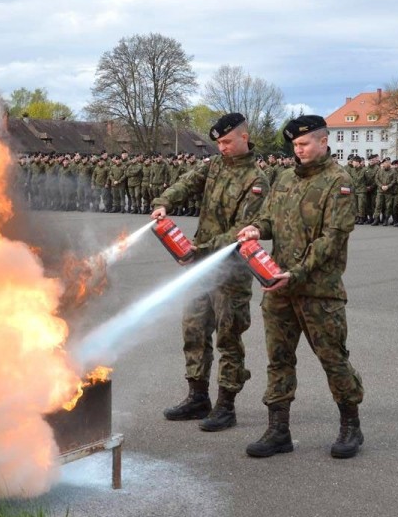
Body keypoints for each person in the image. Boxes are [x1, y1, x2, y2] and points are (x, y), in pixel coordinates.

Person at [235, 115, 366, 459]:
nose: (299, 150)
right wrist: (254, 229)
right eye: (295, 145)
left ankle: (350, 425)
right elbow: (270, 218)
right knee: (278, 359)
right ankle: (278, 430)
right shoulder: (284, 177)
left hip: (318, 292)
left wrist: (297, 272)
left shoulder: (339, 182)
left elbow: (332, 240)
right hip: (279, 288)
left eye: (305, 144)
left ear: (324, 142)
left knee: (333, 359)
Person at [151, 113, 268, 433]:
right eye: (218, 143)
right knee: (193, 329)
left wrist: (199, 250)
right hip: (201, 268)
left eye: (227, 141)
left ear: (244, 137)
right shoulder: (214, 166)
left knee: (229, 337)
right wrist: (164, 202)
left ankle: (226, 405)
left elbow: (241, 232)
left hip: (231, 272)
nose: (223, 147)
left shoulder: (256, 180)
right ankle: (197, 396)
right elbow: (186, 183)